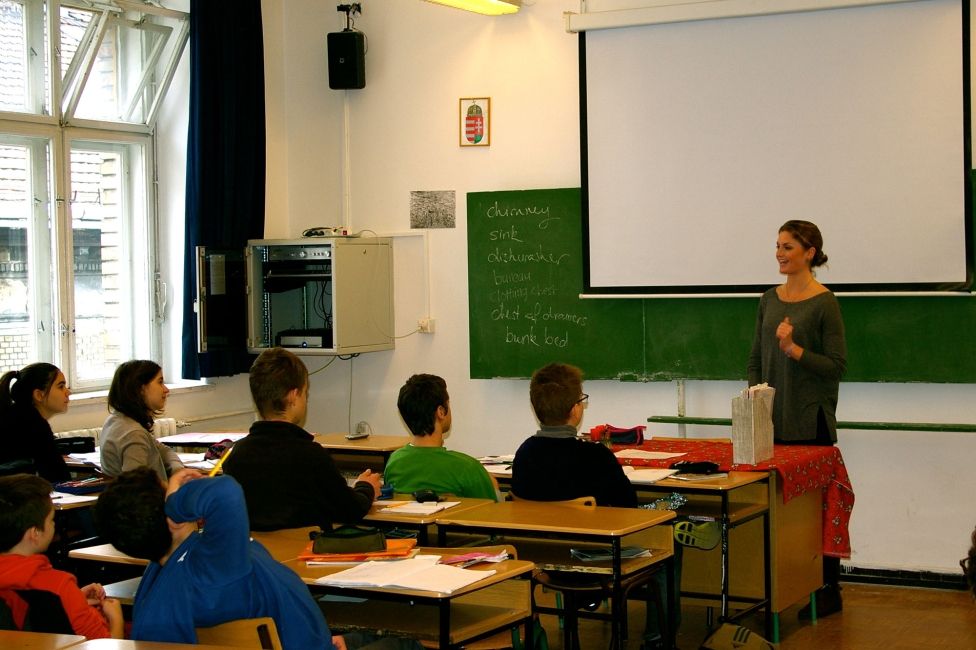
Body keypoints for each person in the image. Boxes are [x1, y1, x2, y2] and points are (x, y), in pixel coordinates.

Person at [95, 468, 419, 649]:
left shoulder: (157, 584)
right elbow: (225, 493)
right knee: (407, 647)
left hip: (307, 641)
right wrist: (178, 503)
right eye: (170, 492)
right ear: (173, 518)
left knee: (367, 640)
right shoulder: (213, 566)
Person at [747, 219, 847, 619]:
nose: (779, 253)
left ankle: (826, 590)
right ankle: (779, 586)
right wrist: (754, 396)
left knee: (814, 510)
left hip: (810, 422)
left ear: (810, 253)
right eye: (777, 246)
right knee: (777, 509)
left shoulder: (825, 302)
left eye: (788, 247)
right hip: (772, 419)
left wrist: (793, 350)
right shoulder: (768, 299)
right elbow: (756, 355)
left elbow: (836, 365)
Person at [223, 347, 381, 530]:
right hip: (305, 554)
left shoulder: (236, 455)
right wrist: (365, 488)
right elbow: (349, 510)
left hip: (254, 555)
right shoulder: (310, 455)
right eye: (305, 392)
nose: (306, 399)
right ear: (293, 396)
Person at [0, 474, 123, 639]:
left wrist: (74, 600)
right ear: (35, 533)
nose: (54, 525)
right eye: (51, 519)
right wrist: (116, 619)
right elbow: (103, 646)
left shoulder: (55, 591)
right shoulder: (58, 585)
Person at [511, 362, 636, 506]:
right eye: (581, 400)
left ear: (534, 405)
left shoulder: (524, 454)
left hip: (537, 528)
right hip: (587, 528)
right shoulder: (597, 457)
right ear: (575, 410)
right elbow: (629, 506)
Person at [385, 374, 498, 501]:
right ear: (441, 412)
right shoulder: (467, 467)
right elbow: (492, 512)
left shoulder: (394, 462)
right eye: (448, 404)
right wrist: (493, 486)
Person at [100, 360, 183, 482]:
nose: (166, 390)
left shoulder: (116, 420)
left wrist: (178, 471)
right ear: (141, 389)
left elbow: (163, 450)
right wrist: (173, 488)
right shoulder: (133, 433)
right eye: (160, 382)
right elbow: (137, 485)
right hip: (148, 499)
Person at [0, 363, 72, 482]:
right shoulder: (34, 425)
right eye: (61, 386)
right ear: (39, 395)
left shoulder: (16, 415)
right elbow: (60, 477)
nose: (68, 392)